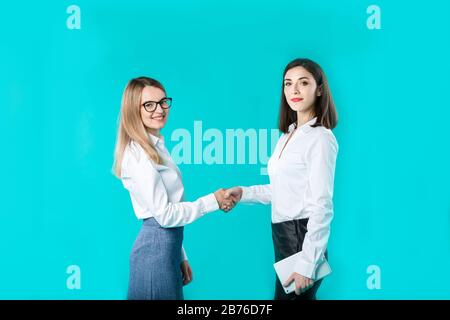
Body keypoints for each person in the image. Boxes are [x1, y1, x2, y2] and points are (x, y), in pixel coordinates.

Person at [224, 58, 338, 300]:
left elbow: (322, 205)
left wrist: (308, 263)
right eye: (288, 83)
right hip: (283, 237)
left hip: (301, 237)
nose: (294, 90)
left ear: (319, 89)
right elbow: (282, 189)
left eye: (303, 82)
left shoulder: (321, 138)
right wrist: (242, 193)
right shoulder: (287, 135)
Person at [112, 76, 235, 300]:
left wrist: (180, 255)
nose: (159, 109)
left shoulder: (156, 146)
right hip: (154, 254)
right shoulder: (138, 154)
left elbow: (169, 211)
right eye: (149, 104)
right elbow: (165, 216)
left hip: (166, 250)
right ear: (133, 110)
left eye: (163, 102)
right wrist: (213, 201)